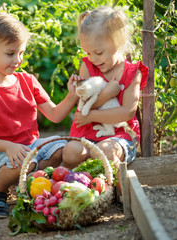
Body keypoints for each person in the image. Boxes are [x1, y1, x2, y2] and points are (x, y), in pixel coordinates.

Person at [0, 12, 80, 219]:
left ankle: (32, 184)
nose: (18, 60)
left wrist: (72, 96)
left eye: (21, 53)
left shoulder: (27, 81)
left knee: (61, 149)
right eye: (10, 54)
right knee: (23, 161)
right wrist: (8, 146)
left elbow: (55, 115)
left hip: (30, 148)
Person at [62, 6, 148, 196]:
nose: (93, 58)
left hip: (119, 136)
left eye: (99, 53)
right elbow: (83, 106)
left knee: (104, 151)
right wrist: (107, 94)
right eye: (88, 53)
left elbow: (127, 113)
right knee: (69, 151)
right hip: (88, 133)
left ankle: (121, 191)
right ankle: (75, 183)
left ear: (119, 41)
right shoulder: (87, 66)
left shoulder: (132, 72)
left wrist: (92, 115)